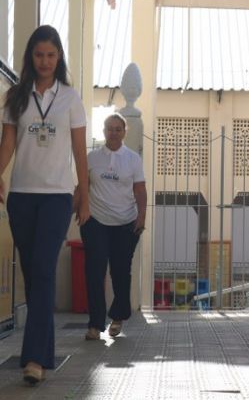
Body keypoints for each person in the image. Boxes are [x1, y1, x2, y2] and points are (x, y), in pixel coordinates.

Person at [0, 25, 89, 384]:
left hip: (57, 197)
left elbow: (80, 151)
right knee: (34, 274)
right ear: (30, 57)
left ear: (59, 57)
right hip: (21, 196)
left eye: (51, 55)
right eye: (39, 55)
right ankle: (45, 350)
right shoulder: (15, 97)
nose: (45, 61)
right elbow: (8, 143)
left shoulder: (70, 98)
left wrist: (84, 194)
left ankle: (34, 359)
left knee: (42, 268)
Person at [81, 113, 146, 341]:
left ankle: (118, 317)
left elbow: (140, 190)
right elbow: (82, 186)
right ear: (104, 131)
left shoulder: (133, 159)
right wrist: (76, 208)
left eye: (118, 129)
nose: (114, 133)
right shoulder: (92, 158)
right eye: (110, 128)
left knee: (120, 272)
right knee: (94, 272)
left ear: (124, 132)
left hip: (125, 224)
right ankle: (95, 324)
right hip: (95, 222)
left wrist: (142, 216)